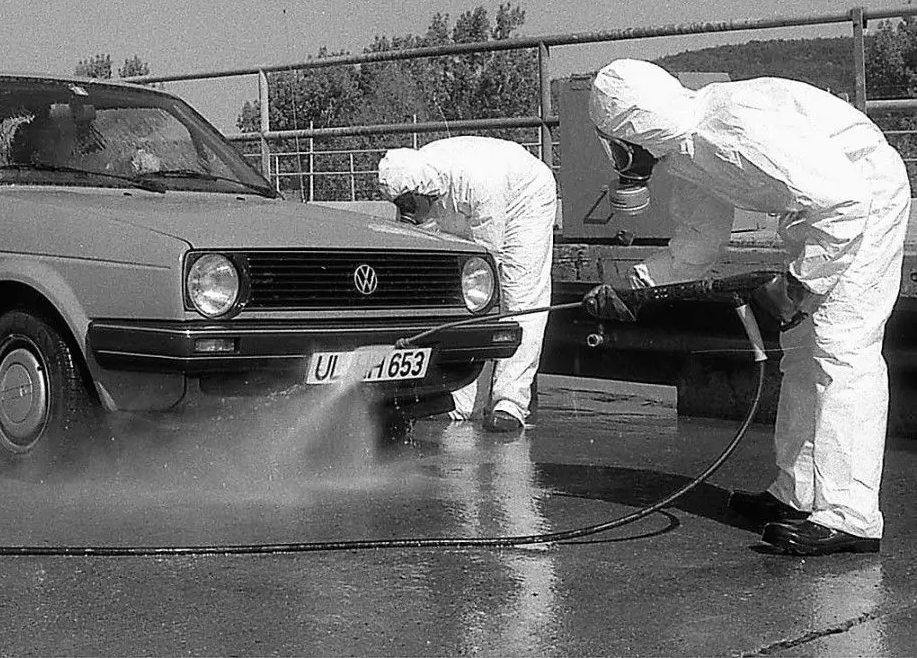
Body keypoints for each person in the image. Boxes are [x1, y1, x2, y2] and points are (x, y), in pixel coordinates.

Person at [584, 58, 909, 556]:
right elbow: (697, 245)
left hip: (864, 198)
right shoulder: (685, 153)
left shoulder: (729, 130)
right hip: (818, 212)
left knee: (842, 350)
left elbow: (845, 202)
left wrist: (797, 287)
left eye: (616, 144)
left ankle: (851, 516)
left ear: (631, 133)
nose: (619, 158)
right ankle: (796, 495)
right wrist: (635, 288)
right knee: (802, 350)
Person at [379, 137, 557, 433]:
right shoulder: (415, 177)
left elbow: (487, 258)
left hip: (523, 198)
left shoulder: (478, 181)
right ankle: (461, 400)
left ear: (422, 192)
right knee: (464, 302)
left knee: (519, 300)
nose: (406, 210)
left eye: (410, 204)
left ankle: (510, 402)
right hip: (469, 205)